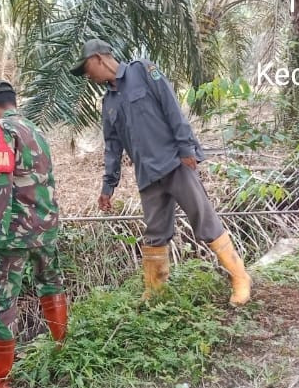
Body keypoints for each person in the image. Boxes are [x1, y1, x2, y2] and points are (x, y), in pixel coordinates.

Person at [69, 39, 251, 306]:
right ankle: (155, 293)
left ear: (98, 58)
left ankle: (239, 277)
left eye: (86, 68)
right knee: (155, 234)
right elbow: (112, 147)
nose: (87, 76)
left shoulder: (143, 71)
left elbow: (171, 106)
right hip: (147, 175)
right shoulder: (108, 103)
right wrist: (108, 186)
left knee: (204, 220)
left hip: (175, 162)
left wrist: (186, 147)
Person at [0, 79, 67, 388]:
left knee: (2, 301)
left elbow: (0, 184)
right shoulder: (35, 130)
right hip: (46, 228)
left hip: (14, 234)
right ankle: (63, 356)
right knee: (51, 286)